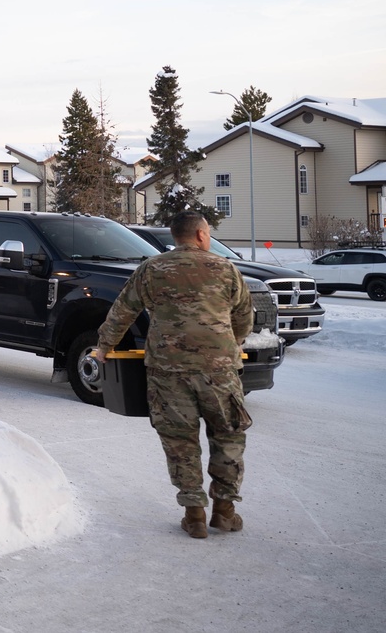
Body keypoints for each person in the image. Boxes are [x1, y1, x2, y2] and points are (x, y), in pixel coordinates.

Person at [95, 211, 252, 539]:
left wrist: (103, 347)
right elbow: (243, 316)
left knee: (180, 440)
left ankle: (194, 514)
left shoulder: (152, 269)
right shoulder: (226, 268)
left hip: (167, 371)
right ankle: (224, 511)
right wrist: (232, 343)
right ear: (199, 235)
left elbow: (123, 310)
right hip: (219, 370)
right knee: (228, 435)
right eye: (207, 232)